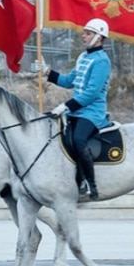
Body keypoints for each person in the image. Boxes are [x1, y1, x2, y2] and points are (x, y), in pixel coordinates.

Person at [31, 17, 111, 200]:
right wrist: (47, 71)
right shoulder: (83, 57)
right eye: (84, 33)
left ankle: (90, 184)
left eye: (88, 33)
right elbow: (68, 81)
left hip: (92, 112)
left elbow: (92, 92)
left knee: (78, 139)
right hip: (75, 111)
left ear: (99, 37)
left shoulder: (102, 61)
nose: (83, 36)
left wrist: (65, 106)